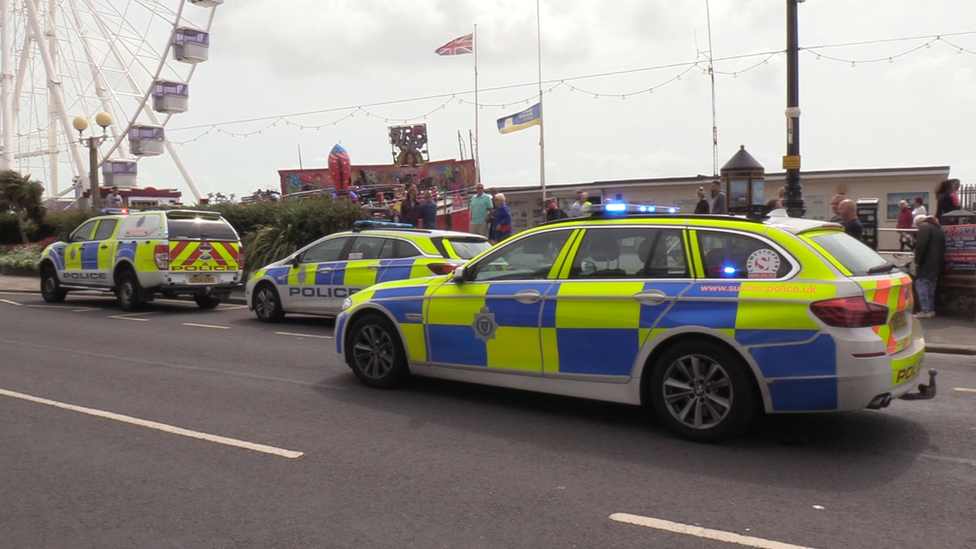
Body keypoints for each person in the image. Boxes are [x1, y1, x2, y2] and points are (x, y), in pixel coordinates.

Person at [913, 214, 945, 319]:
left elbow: (921, 246)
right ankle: (930, 310)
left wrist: (917, 261)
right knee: (931, 288)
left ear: (919, 223)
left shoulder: (924, 227)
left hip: (926, 263)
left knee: (921, 285)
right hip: (936, 263)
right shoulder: (937, 227)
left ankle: (925, 310)